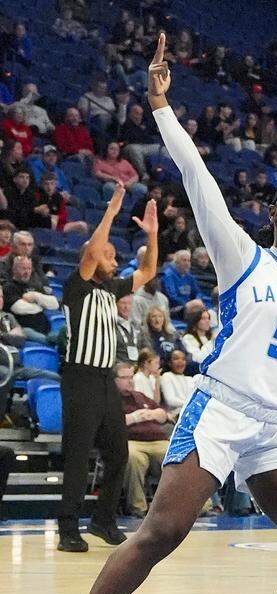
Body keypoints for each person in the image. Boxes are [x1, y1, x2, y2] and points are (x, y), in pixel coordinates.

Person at [35, 33, 277, 594]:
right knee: (162, 532)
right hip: (223, 406)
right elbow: (199, 180)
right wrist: (162, 107)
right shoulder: (243, 256)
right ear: (275, 215)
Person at [51, 183, 158, 553]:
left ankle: (102, 519)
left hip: (104, 380)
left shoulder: (111, 289)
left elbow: (148, 270)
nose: (114, 260)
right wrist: (111, 210)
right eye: (110, 256)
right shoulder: (76, 286)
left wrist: (153, 234)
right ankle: (68, 527)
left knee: (118, 453)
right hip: (78, 378)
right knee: (79, 457)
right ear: (93, 260)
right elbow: (94, 249)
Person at [117, 360, 172, 517]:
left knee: (176, 458)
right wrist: (134, 417)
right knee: (133, 459)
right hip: (131, 441)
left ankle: (197, 506)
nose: (131, 380)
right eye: (125, 377)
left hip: (157, 440)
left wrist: (154, 414)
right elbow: (108, 423)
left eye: (131, 376)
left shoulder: (140, 396)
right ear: (114, 380)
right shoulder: (110, 399)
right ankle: (138, 507)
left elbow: (164, 414)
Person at [159, 348, 193, 417]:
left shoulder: (190, 379)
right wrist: (189, 404)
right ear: (169, 363)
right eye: (176, 359)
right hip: (176, 415)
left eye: (183, 359)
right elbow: (170, 400)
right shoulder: (167, 376)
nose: (180, 361)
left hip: (190, 411)